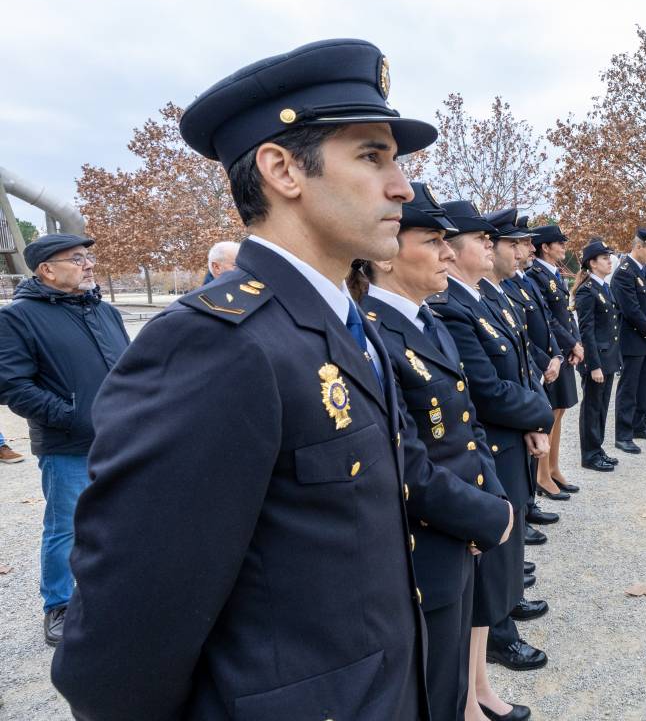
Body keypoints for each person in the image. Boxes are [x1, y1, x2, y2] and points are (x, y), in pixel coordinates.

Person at [52, 39, 505, 719]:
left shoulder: (345, 326)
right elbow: (115, 656)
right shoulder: (214, 345)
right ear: (282, 169)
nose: (402, 187)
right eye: (371, 156)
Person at [352, 184, 514, 721]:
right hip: (422, 544)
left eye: (449, 240)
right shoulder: (372, 333)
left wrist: (491, 496)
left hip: (457, 533)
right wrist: (484, 513)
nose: (450, 252)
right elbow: (407, 459)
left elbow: (468, 426)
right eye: (433, 240)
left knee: (448, 682)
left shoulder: (430, 322)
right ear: (388, 253)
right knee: (426, 688)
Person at [434, 200, 555, 704]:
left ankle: (499, 633)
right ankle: (499, 639)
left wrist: (531, 418)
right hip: (493, 437)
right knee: (491, 561)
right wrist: (539, 414)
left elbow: (519, 363)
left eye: (493, 239)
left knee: (507, 549)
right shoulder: (452, 305)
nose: (492, 245)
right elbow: (483, 388)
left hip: (509, 436)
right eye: (482, 239)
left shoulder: (486, 297)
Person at [0, 233, 129, 646]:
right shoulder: (17, 317)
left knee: (120, 521)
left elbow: (129, 369)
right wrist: (72, 417)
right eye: (77, 259)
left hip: (121, 440)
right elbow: (12, 385)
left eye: (88, 257)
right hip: (68, 446)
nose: (88, 264)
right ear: (46, 270)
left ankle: (113, 595)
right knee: (66, 527)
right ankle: (58, 605)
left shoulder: (105, 312)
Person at [503, 214, 574, 503]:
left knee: (557, 414)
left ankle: (550, 470)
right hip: (538, 362)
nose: (530, 249)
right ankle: (539, 479)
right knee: (543, 420)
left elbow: (547, 319)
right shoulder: (518, 280)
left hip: (550, 358)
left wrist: (559, 352)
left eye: (530, 243)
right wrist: (546, 361)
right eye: (522, 243)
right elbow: (523, 331)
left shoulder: (527, 280)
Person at [526, 225, 581, 498]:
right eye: (559, 243)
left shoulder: (553, 273)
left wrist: (576, 343)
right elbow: (548, 319)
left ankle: (554, 468)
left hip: (563, 350)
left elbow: (568, 315)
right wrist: (570, 345)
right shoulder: (534, 274)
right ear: (545, 247)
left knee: (560, 412)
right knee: (550, 415)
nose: (564, 247)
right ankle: (542, 474)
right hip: (550, 352)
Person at [612, 229, 646, 454]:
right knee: (629, 388)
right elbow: (631, 309)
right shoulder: (624, 272)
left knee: (644, 385)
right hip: (633, 339)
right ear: (639, 246)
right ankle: (623, 434)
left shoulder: (643, 271)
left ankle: (638, 424)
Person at [573, 239, 621, 472]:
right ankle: (589, 455)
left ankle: (597, 448)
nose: (609, 261)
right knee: (592, 407)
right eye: (603, 258)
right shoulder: (587, 291)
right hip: (596, 361)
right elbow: (587, 332)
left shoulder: (603, 286)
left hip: (608, 358)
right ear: (592, 263)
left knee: (602, 406)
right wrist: (594, 365)